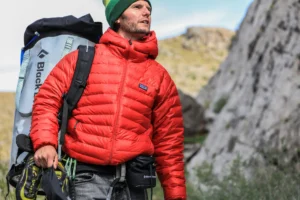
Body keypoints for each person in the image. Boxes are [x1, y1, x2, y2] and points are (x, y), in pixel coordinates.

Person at [29, 0, 186, 199]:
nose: (146, 13)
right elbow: (46, 100)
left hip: (134, 183)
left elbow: (169, 143)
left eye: (148, 9)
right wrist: (45, 142)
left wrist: (176, 195)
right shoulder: (82, 59)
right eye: (137, 7)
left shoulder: (159, 76)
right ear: (118, 18)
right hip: (86, 177)